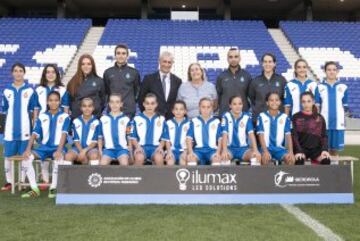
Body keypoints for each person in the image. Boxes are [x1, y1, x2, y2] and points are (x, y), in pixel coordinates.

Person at [22, 91, 71, 198]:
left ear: (59, 102)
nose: (53, 103)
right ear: (47, 102)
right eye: (51, 100)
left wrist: (59, 150)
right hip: (43, 148)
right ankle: (34, 189)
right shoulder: (42, 116)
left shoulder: (65, 116)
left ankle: (53, 188)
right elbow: (34, 133)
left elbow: (64, 134)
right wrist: (28, 149)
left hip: (57, 148)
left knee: (59, 158)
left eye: (56, 100)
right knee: (26, 158)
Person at [1, 63, 38, 192]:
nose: (18, 73)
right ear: (12, 73)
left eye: (20, 71)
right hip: (10, 131)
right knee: (7, 156)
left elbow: (34, 111)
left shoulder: (30, 90)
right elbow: (5, 110)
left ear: (24, 73)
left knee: (25, 156)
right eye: (15, 71)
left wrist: (34, 127)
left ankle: (22, 181)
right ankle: (9, 182)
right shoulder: (6, 90)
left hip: (26, 130)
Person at [35, 64, 70, 186]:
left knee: (56, 148)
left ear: (57, 74)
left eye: (53, 72)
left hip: (58, 124)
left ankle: (54, 180)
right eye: (48, 72)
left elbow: (66, 109)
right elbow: (36, 109)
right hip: (43, 124)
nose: (50, 74)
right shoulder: (38, 89)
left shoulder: (62, 89)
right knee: (43, 146)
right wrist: (35, 125)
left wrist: (66, 123)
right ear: (44, 74)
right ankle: (45, 178)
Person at [316, 61, 348, 156]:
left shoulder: (343, 87)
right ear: (325, 71)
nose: (331, 72)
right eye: (329, 69)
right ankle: (326, 169)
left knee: (335, 150)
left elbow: (344, 106)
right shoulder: (319, 87)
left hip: (338, 124)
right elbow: (317, 106)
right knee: (324, 150)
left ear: (337, 71)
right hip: (324, 123)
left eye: (334, 69)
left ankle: (335, 169)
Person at [138, 51, 182, 119]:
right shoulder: (149, 79)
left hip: (171, 120)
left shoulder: (177, 81)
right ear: (159, 61)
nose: (166, 64)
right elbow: (141, 99)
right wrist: (148, 115)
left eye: (169, 62)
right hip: (153, 119)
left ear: (172, 63)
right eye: (164, 61)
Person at [292, 92, 331, 165]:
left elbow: (324, 136)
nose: (306, 104)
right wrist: (298, 151)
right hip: (302, 149)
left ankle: (319, 176)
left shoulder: (320, 118)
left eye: (309, 101)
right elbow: (294, 136)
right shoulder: (296, 117)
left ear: (313, 102)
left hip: (316, 150)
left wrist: (324, 150)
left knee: (326, 160)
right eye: (303, 102)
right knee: (299, 160)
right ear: (301, 103)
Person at [256, 92, 295, 165]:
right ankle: (265, 176)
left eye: (276, 100)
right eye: (271, 100)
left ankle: (285, 176)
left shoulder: (285, 117)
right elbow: (260, 135)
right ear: (267, 102)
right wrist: (265, 151)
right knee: (265, 159)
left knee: (290, 159)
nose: (274, 102)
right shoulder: (261, 116)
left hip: (279, 149)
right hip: (266, 148)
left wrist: (291, 152)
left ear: (280, 102)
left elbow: (288, 136)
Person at [221, 95, 261, 165]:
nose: (237, 106)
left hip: (244, 150)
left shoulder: (247, 116)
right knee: (223, 159)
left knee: (256, 157)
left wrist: (256, 150)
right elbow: (224, 134)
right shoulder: (225, 116)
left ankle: (252, 176)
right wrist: (224, 150)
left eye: (240, 104)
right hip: (230, 149)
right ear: (230, 105)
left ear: (242, 105)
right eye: (234, 104)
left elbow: (251, 135)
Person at [103, 44, 141, 117]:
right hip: (112, 111)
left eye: (123, 53)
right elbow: (106, 91)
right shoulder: (108, 72)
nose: (121, 56)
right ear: (115, 55)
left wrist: (131, 102)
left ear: (127, 56)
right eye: (118, 53)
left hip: (128, 112)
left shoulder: (134, 72)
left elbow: (137, 91)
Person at [130, 93, 166, 165]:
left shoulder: (161, 119)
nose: (150, 106)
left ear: (156, 104)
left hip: (155, 147)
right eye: (147, 103)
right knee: (139, 158)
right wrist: (138, 147)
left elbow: (165, 137)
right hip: (141, 147)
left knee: (159, 158)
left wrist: (160, 147)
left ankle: (159, 176)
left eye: (152, 103)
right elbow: (132, 137)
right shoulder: (136, 118)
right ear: (143, 104)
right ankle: (136, 176)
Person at [249, 53, 287, 119]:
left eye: (270, 62)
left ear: (274, 64)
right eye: (265, 62)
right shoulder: (255, 81)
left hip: (277, 119)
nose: (267, 64)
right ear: (262, 64)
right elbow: (252, 98)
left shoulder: (282, 80)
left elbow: (284, 99)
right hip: (259, 119)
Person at [67, 54, 105, 119]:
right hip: (77, 119)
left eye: (88, 64)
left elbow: (103, 100)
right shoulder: (72, 81)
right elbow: (69, 100)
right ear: (80, 66)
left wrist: (97, 110)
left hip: (95, 119)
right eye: (83, 64)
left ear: (92, 66)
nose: (86, 66)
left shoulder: (99, 81)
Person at [216, 47, 252, 116]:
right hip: (225, 115)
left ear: (240, 58)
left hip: (243, 115)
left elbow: (251, 96)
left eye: (236, 56)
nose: (233, 59)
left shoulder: (247, 76)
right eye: (231, 57)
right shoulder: (221, 76)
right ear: (227, 59)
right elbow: (218, 96)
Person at [186, 97, 222, 165]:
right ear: (199, 108)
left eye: (208, 107)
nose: (206, 109)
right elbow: (188, 138)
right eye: (203, 107)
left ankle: (213, 175)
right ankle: (195, 175)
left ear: (212, 108)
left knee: (217, 160)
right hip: (198, 151)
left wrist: (218, 152)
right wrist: (190, 152)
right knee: (191, 159)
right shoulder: (194, 121)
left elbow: (220, 139)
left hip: (212, 150)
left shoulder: (216, 121)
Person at [65, 98, 101, 165]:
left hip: (91, 148)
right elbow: (76, 140)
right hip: (77, 148)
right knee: (68, 156)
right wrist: (81, 152)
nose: (87, 108)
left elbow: (94, 142)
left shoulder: (96, 122)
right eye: (84, 106)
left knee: (94, 156)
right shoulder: (76, 121)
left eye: (89, 106)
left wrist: (84, 151)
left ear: (93, 108)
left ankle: (93, 175)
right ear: (81, 108)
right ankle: (67, 175)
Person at [99, 94, 132, 166]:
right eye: (112, 102)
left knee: (124, 163)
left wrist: (130, 151)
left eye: (117, 102)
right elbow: (100, 137)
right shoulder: (103, 119)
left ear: (121, 104)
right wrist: (100, 151)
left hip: (122, 150)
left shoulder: (126, 119)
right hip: (108, 150)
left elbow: (129, 136)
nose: (114, 104)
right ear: (109, 104)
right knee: (102, 164)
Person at [162, 100, 190, 165]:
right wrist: (169, 152)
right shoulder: (168, 123)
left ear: (185, 111)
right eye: (176, 109)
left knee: (183, 163)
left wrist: (186, 151)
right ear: (173, 111)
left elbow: (190, 140)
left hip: (184, 150)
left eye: (181, 109)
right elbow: (167, 140)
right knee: (170, 162)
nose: (178, 111)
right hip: (172, 150)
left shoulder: (189, 124)